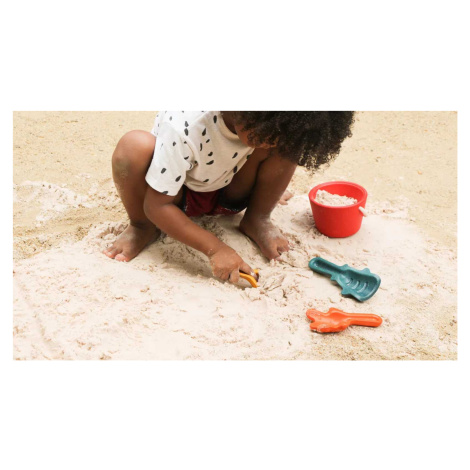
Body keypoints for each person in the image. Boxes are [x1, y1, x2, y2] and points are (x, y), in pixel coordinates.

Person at [104, 111, 355, 284]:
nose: (271, 144)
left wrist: (268, 183)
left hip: (229, 189)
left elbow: (280, 135)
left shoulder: (270, 122)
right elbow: (157, 205)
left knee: (288, 147)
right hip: (176, 196)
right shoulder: (185, 125)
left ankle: (257, 218)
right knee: (133, 146)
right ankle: (141, 226)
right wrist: (216, 249)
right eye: (268, 136)